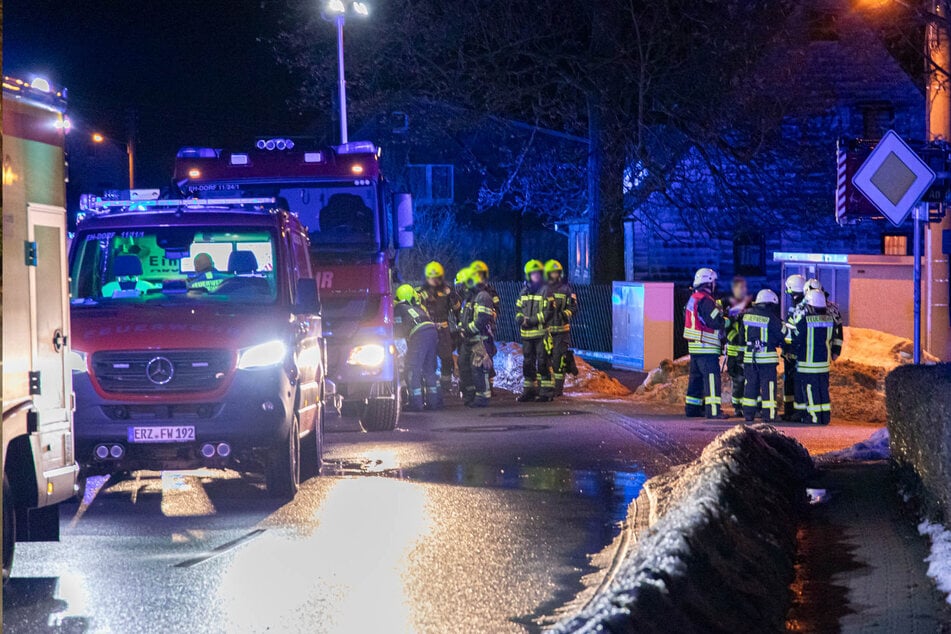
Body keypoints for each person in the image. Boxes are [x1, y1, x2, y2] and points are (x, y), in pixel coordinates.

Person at [786, 289, 842, 425]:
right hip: (823, 365)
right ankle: (825, 417)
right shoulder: (830, 320)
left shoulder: (805, 321)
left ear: (810, 305)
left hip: (807, 364)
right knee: (823, 390)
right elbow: (835, 337)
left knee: (811, 391)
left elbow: (795, 338)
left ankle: (814, 417)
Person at [683, 267, 729, 419]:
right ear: (708, 283)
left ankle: (692, 409)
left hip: (696, 346)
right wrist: (727, 321)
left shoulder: (694, 297)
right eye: (714, 282)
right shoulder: (706, 300)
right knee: (711, 378)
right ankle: (713, 411)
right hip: (706, 346)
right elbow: (715, 321)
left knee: (696, 379)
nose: (715, 284)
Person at [393, 284, 442, 412]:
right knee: (429, 368)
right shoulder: (416, 308)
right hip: (432, 332)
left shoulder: (398, 309)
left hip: (419, 334)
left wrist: (399, 351)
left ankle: (416, 403)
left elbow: (398, 333)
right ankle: (435, 402)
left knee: (412, 369)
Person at [739, 289, 785, 423]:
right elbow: (782, 333)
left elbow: (742, 337)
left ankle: (748, 414)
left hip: (749, 359)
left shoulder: (746, 316)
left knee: (750, 386)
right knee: (768, 387)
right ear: (769, 304)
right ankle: (769, 415)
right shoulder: (770, 317)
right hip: (767, 360)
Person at [417, 261, 462, 394]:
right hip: (427, 330)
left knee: (447, 358)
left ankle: (445, 385)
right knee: (427, 358)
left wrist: (461, 326)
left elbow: (458, 310)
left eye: (437, 278)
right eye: (432, 278)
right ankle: (428, 386)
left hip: (443, 329)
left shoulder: (447, 292)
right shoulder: (421, 293)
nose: (434, 281)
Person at [458, 268, 497, 407]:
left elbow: (482, 320)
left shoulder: (483, 296)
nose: (463, 287)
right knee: (464, 367)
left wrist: (466, 330)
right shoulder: (469, 298)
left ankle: (482, 398)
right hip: (468, 340)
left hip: (480, 340)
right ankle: (470, 396)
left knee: (478, 369)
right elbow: (463, 318)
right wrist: (461, 328)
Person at [540, 259, 578, 399]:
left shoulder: (567, 289)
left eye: (557, 273)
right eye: (552, 273)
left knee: (558, 361)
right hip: (546, 331)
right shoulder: (543, 289)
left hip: (562, 331)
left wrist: (564, 314)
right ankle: (545, 388)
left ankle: (558, 389)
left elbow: (574, 307)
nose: (555, 275)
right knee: (544, 360)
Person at [515, 259, 548, 402]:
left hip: (541, 334)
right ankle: (529, 390)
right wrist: (520, 319)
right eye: (533, 274)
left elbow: (547, 313)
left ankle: (545, 392)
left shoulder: (546, 291)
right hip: (527, 334)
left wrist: (531, 321)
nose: (537, 276)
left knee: (542, 362)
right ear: (528, 275)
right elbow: (517, 310)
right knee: (528, 363)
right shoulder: (523, 292)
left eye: (538, 274)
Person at [724, 276, 752, 417]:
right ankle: (737, 407)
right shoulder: (730, 308)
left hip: (748, 351)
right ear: (734, 289)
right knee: (738, 381)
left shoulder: (749, 306)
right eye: (740, 287)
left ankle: (752, 407)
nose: (743, 290)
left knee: (751, 381)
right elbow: (726, 329)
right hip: (735, 352)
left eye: (744, 287)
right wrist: (735, 337)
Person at [781, 274, 806, 421]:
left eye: (790, 293)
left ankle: (796, 412)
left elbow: (796, 332)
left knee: (797, 382)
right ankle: (789, 410)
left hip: (796, 352)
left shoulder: (801, 309)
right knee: (789, 382)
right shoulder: (797, 308)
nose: (789, 296)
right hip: (790, 351)